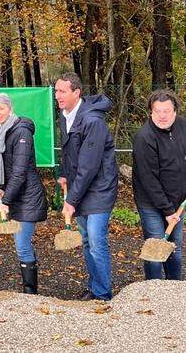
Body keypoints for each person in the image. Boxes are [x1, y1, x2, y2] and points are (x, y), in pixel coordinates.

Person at [55, 71, 117, 301]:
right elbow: (71, 152)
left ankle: (103, 293)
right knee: (87, 241)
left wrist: (71, 200)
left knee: (96, 240)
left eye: (62, 91)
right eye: (56, 91)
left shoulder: (92, 121)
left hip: (99, 189)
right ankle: (95, 286)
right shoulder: (66, 115)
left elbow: (89, 165)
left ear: (76, 93)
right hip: (80, 188)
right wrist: (64, 174)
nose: (58, 96)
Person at [132, 89, 186, 280]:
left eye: (166, 111)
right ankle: (153, 292)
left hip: (178, 200)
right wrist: (167, 211)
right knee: (155, 250)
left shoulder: (184, 127)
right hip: (151, 203)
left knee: (174, 247)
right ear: (150, 112)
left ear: (175, 111)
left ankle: (174, 290)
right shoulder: (144, 138)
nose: (162, 116)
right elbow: (149, 180)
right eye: (157, 111)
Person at [0, 93, 47, 294]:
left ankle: (30, 293)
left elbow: (20, 171)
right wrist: (1, 188)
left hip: (28, 197)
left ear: (10, 108)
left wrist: (6, 199)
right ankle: (29, 291)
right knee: (21, 245)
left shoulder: (21, 132)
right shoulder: (2, 132)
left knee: (22, 244)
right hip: (16, 195)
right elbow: (7, 167)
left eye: (1, 109)